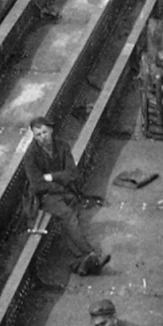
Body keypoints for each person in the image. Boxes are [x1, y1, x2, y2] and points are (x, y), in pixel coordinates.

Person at [21, 115, 108, 276]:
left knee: (71, 213)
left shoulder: (62, 146)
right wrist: (59, 183)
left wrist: (52, 176)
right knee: (67, 214)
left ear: (51, 130)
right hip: (45, 197)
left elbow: (73, 174)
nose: (42, 137)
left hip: (62, 189)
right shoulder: (30, 156)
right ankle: (90, 254)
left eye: (44, 132)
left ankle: (80, 262)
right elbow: (37, 185)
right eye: (38, 135)